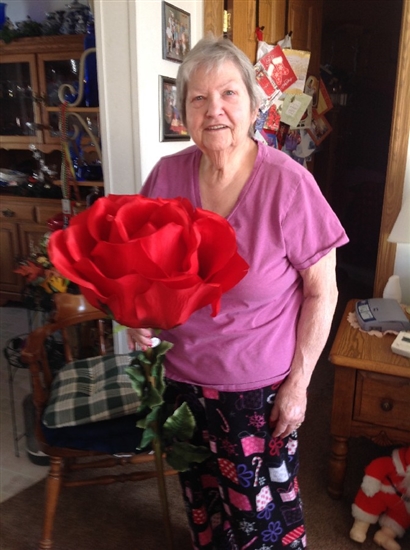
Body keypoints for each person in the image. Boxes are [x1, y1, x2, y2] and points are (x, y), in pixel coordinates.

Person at [128, 35, 348, 550]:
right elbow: (141, 264)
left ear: (253, 104)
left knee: (262, 518)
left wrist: (299, 385)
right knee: (202, 505)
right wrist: (135, 310)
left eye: (228, 93)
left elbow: (323, 293)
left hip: (256, 393)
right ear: (182, 112)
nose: (215, 110)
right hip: (181, 384)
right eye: (198, 98)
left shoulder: (290, 186)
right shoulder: (166, 176)